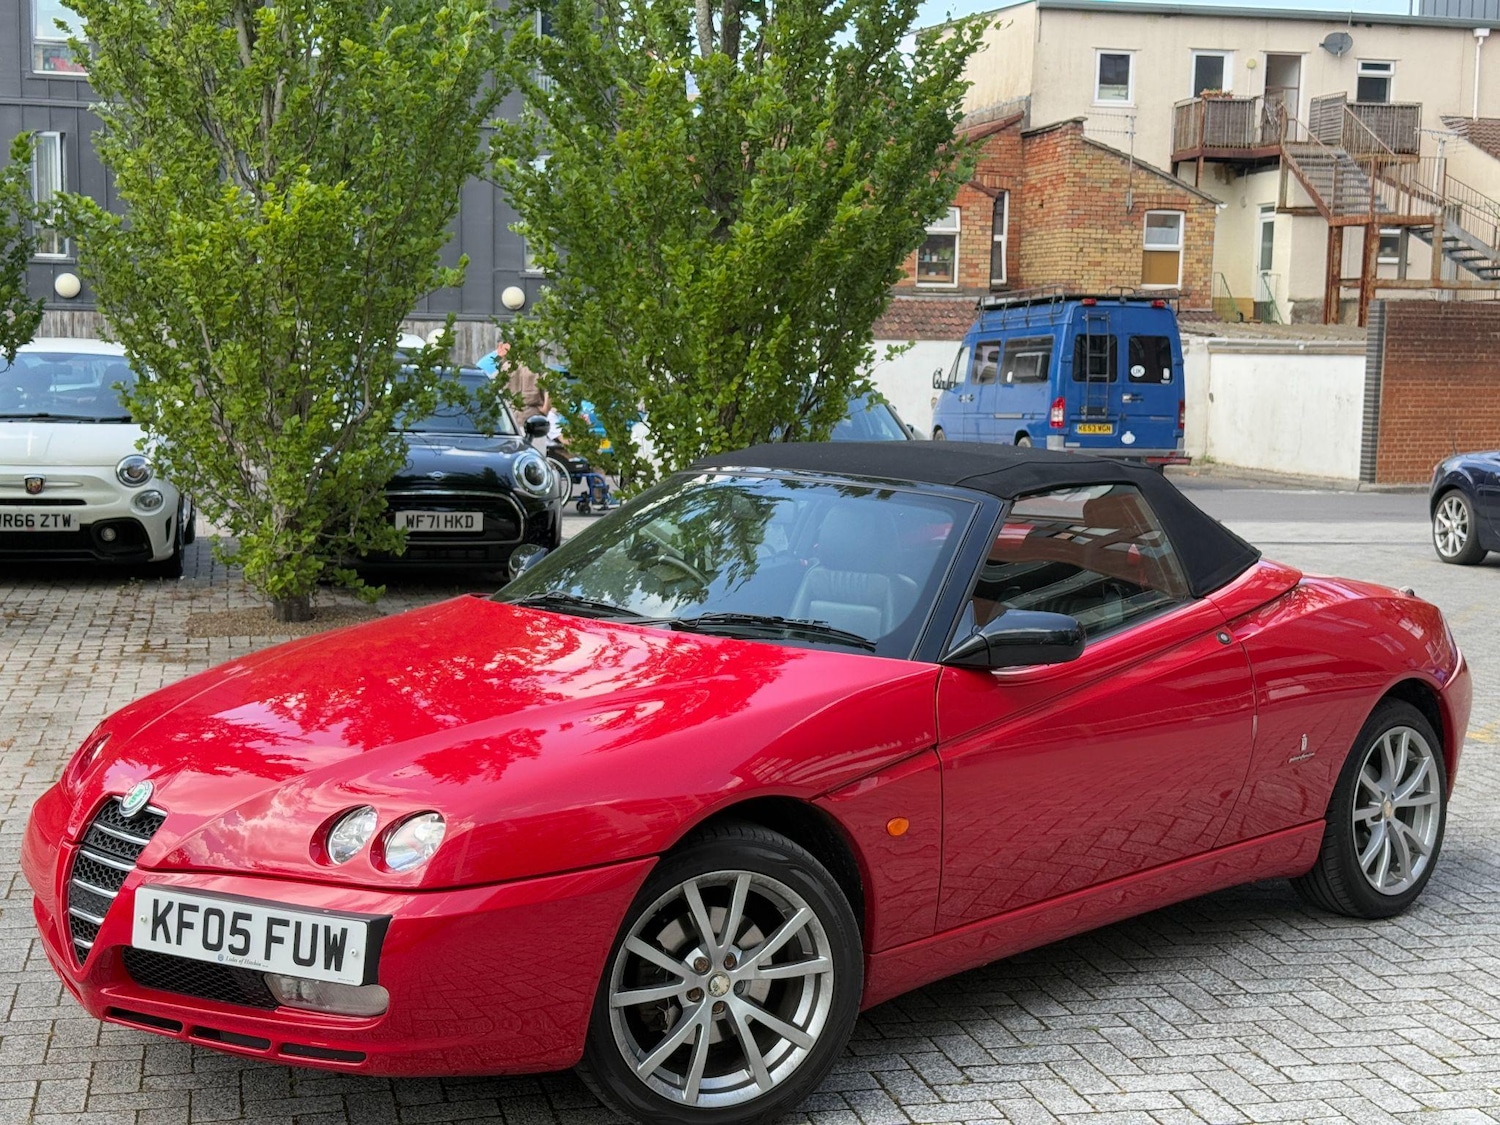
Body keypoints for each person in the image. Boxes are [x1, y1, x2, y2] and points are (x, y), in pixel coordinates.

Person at [480, 341, 550, 419]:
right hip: (533, 416)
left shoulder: (506, 368)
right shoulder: (537, 369)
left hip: (510, 415)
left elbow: (492, 386)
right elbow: (550, 388)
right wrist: (545, 409)